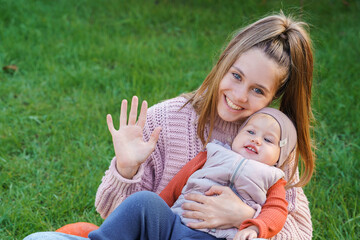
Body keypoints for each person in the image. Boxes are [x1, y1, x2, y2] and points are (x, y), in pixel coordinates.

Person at [24, 11, 315, 240]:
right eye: (236, 76)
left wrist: (244, 217)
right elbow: (115, 215)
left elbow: (301, 232)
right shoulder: (166, 119)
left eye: (258, 90)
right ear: (223, 63)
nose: (239, 96)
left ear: (273, 96)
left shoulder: (270, 146)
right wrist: (126, 170)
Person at [85, 107, 297, 240]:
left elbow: (277, 211)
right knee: (144, 202)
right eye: (250, 132)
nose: (256, 140)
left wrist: (254, 226)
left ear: (280, 157)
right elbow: (176, 187)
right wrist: (156, 212)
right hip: (176, 225)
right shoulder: (212, 153)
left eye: (268, 140)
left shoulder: (273, 178)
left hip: (222, 236)